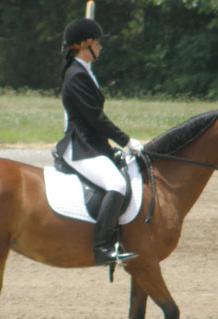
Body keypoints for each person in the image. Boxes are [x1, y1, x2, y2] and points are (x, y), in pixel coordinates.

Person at [55, 18, 144, 266]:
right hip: (80, 146)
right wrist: (127, 141)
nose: (101, 47)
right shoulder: (76, 75)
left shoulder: (84, 71)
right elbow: (95, 118)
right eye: (97, 42)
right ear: (85, 44)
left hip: (92, 143)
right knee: (117, 184)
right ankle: (102, 247)